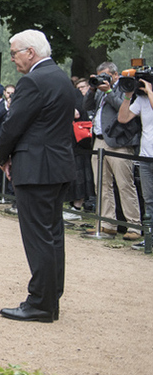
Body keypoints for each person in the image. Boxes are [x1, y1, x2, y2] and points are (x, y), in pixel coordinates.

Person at [0, 30, 77, 323]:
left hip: (36, 167)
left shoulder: (33, 81)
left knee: (38, 236)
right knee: (52, 234)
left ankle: (41, 301)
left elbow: (13, 124)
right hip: (57, 165)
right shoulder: (60, 78)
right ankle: (50, 296)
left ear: (30, 52)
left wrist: (1, 156)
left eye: (14, 52)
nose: (13, 58)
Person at [83, 62, 142, 240]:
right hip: (99, 141)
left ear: (115, 75)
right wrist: (92, 89)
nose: (102, 79)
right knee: (101, 184)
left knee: (125, 184)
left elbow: (124, 110)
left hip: (119, 143)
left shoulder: (126, 87)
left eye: (106, 75)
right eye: (99, 76)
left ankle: (134, 226)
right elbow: (86, 106)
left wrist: (109, 91)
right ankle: (107, 224)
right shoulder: (99, 89)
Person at [117, 77, 153, 249]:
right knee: (148, 199)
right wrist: (128, 95)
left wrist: (150, 91)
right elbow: (123, 118)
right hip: (145, 156)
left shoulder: (149, 97)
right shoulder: (142, 100)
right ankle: (149, 238)